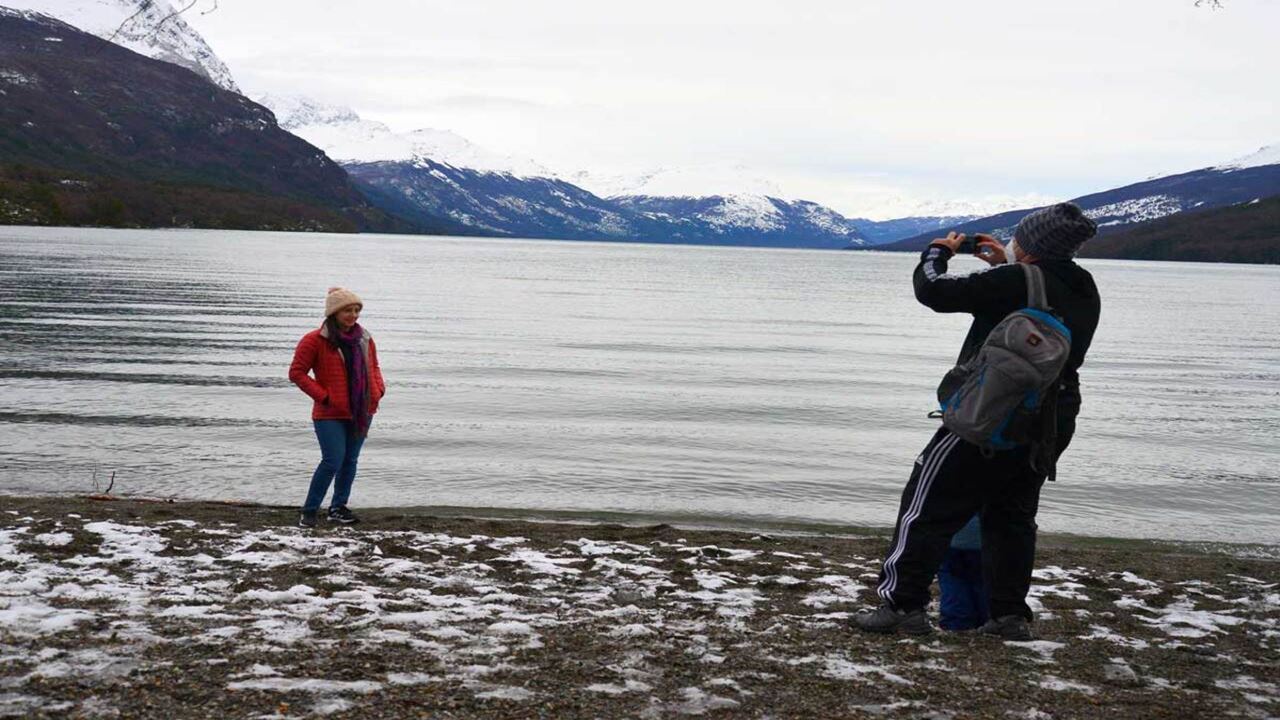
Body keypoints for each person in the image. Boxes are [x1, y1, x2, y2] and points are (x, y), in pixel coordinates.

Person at [853, 202, 1101, 640]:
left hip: (987, 412)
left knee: (925, 506)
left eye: (1019, 239)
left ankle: (902, 605)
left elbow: (934, 292)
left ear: (1029, 244)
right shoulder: (1083, 286)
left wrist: (936, 252)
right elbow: (1038, 298)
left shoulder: (1012, 281)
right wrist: (1008, 266)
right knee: (1011, 517)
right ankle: (1007, 617)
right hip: (1050, 418)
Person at [288, 287, 386, 528]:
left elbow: (374, 367)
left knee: (350, 460)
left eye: (356, 310)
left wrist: (378, 389)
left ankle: (338, 509)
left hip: (363, 409)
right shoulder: (315, 340)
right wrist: (324, 397)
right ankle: (309, 511)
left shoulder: (365, 338)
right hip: (330, 412)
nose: (353, 315)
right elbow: (297, 373)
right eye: (347, 311)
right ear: (334, 312)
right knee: (332, 460)